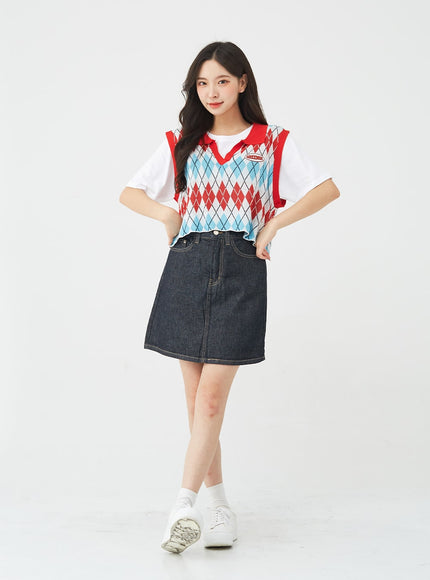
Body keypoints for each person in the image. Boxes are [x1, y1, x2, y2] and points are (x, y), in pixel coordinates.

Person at [119, 41, 340, 553]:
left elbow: (325, 189)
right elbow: (130, 192)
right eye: (202, 83)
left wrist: (274, 224)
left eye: (221, 81)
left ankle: (181, 507)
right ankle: (219, 508)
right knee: (197, 402)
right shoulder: (183, 142)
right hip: (187, 265)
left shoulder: (272, 141)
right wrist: (167, 214)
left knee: (212, 399)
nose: (212, 92)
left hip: (241, 269)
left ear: (242, 82)